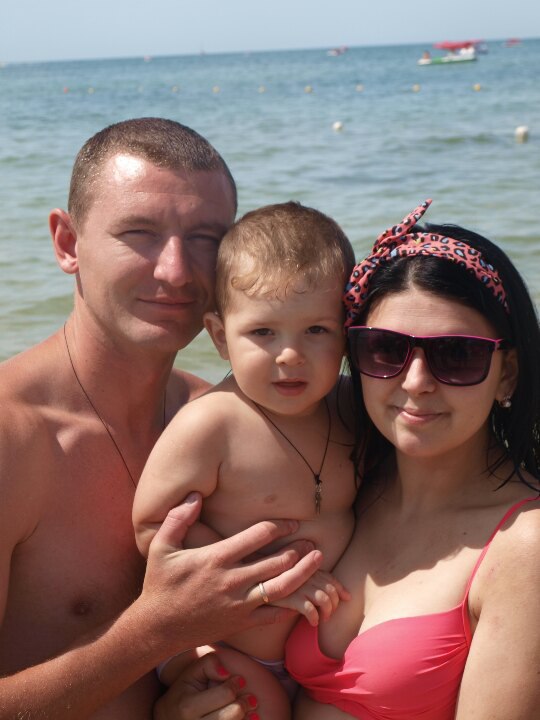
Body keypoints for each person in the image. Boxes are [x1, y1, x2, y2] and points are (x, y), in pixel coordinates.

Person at [0, 118, 327, 720]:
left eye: (205, 237)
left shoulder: (229, 421)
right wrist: (156, 631)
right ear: (68, 243)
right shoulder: (13, 438)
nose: (176, 270)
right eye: (139, 233)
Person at [285, 199, 540, 719]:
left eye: (457, 354)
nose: (416, 382)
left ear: (507, 375)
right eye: (385, 349)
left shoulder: (524, 547)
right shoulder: (345, 484)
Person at [133, 201, 359, 718]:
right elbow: (152, 525)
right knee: (264, 707)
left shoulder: (350, 408)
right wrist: (261, 580)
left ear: (347, 333)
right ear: (220, 336)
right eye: (263, 333)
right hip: (224, 643)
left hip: (315, 644)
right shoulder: (213, 423)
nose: (289, 354)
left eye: (316, 331)